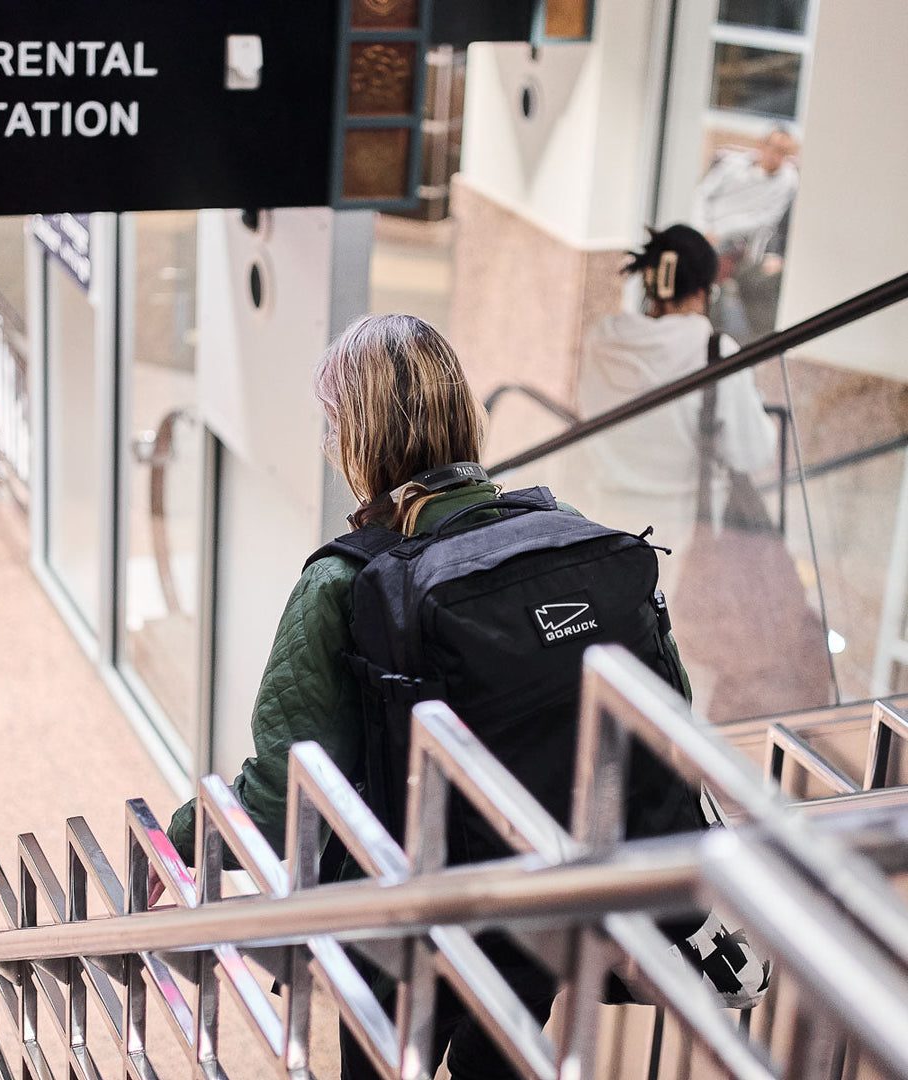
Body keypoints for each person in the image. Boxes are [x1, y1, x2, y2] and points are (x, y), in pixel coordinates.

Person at [156, 313, 703, 1079]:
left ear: (358, 438)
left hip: (411, 917)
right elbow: (670, 698)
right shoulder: (561, 531)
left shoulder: (343, 580)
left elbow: (285, 792)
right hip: (550, 889)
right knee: (503, 1052)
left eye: (334, 425)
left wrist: (177, 841)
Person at [575, 224, 778, 597]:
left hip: (597, 511)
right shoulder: (713, 353)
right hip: (675, 532)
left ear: (649, 285)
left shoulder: (603, 338)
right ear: (705, 291)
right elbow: (752, 450)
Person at [691, 126, 799, 342]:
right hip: (705, 228)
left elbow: (766, 220)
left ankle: (708, 326)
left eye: (784, 152)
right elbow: (702, 194)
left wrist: (720, 233)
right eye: (775, 148)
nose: (778, 156)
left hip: (737, 240)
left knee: (707, 264)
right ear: (762, 145)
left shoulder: (788, 180)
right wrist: (704, 228)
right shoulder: (731, 165)